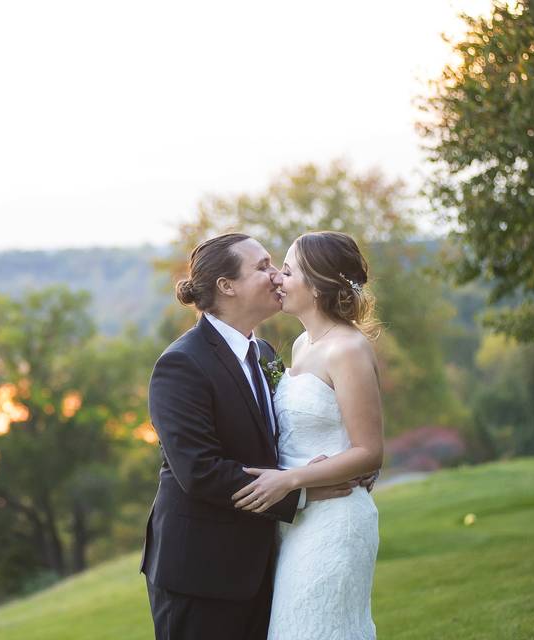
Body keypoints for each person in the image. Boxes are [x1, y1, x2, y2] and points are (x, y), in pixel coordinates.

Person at [140, 232, 369, 640]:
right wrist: (300, 492)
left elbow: (285, 439)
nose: (276, 275)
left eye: (277, 266)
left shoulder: (264, 353)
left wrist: (340, 461)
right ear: (226, 287)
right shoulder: (181, 365)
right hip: (201, 571)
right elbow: (199, 471)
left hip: (266, 561)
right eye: (262, 267)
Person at [232, 230, 383, 639]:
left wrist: (290, 479)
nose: (277, 279)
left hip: (335, 520)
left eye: (288, 271)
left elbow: (369, 452)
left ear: (316, 286)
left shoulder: (347, 349)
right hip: (298, 521)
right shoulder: (301, 345)